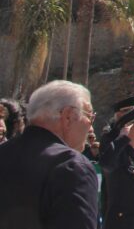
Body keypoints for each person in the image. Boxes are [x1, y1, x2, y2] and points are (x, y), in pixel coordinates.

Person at [0, 80, 100, 229]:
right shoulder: (72, 167)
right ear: (68, 116)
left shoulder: (4, 152)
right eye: (90, 116)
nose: (90, 126)